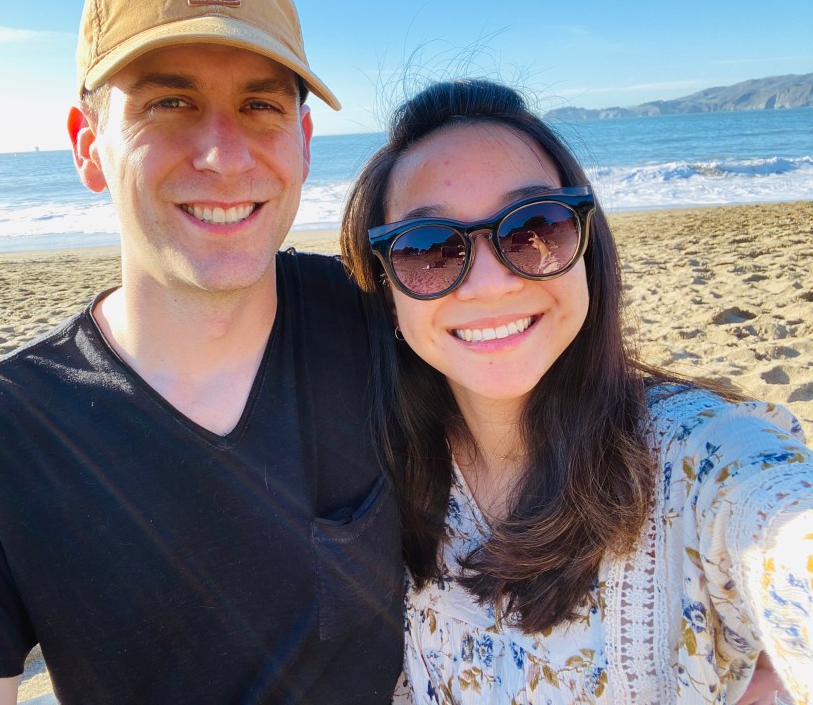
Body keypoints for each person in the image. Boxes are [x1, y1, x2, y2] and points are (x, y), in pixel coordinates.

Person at [0, 0, 402, 704]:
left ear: (302, 144)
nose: (224, 155)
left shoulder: (379, 324)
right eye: (170, 104)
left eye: (261, 105)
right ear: (88, 146)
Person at [339, 79, 813, 703]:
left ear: (587, 250)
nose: (489, 284)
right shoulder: (381, 478)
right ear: (387, 290)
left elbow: (783, 529)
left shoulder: (699, 460)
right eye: (428, 249)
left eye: (534, 227)